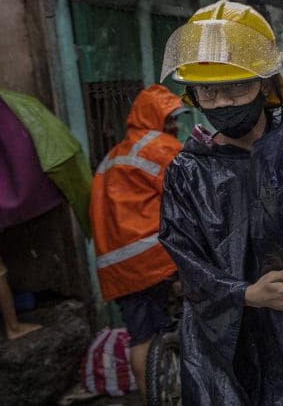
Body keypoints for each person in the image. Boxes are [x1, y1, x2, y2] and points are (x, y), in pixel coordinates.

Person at [157, 0, 283, 405]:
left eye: (237, 85)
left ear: (266, 85)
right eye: (209, 90)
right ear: (193, 95)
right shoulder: (187, 171)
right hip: (227, 345)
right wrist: (245, 295)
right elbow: (186, 257)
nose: (223, 102)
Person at [89, 84, 188, 396]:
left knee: (141, 336)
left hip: (116, 266)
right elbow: (190, 192)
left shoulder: (112, 157)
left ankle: (150, 397)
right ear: (154, 116)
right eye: (169, 118)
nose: (174, 125)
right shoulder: (159, 146)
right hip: (153, 254)